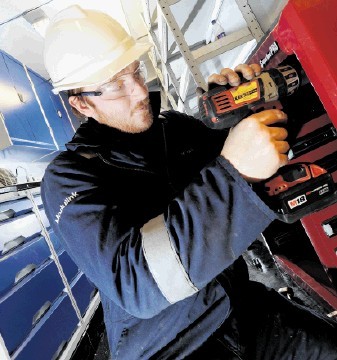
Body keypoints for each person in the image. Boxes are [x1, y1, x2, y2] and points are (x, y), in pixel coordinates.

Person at [41, 5, 337, 360]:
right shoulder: (68, 179)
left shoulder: (172, 129)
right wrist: (233, 170)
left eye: (136, 71)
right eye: (116, 85)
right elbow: (137, 282)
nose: (138, 91)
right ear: (82, 105)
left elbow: (248, 162)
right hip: (172, 349)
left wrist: (242, 109)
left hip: (239, 310)